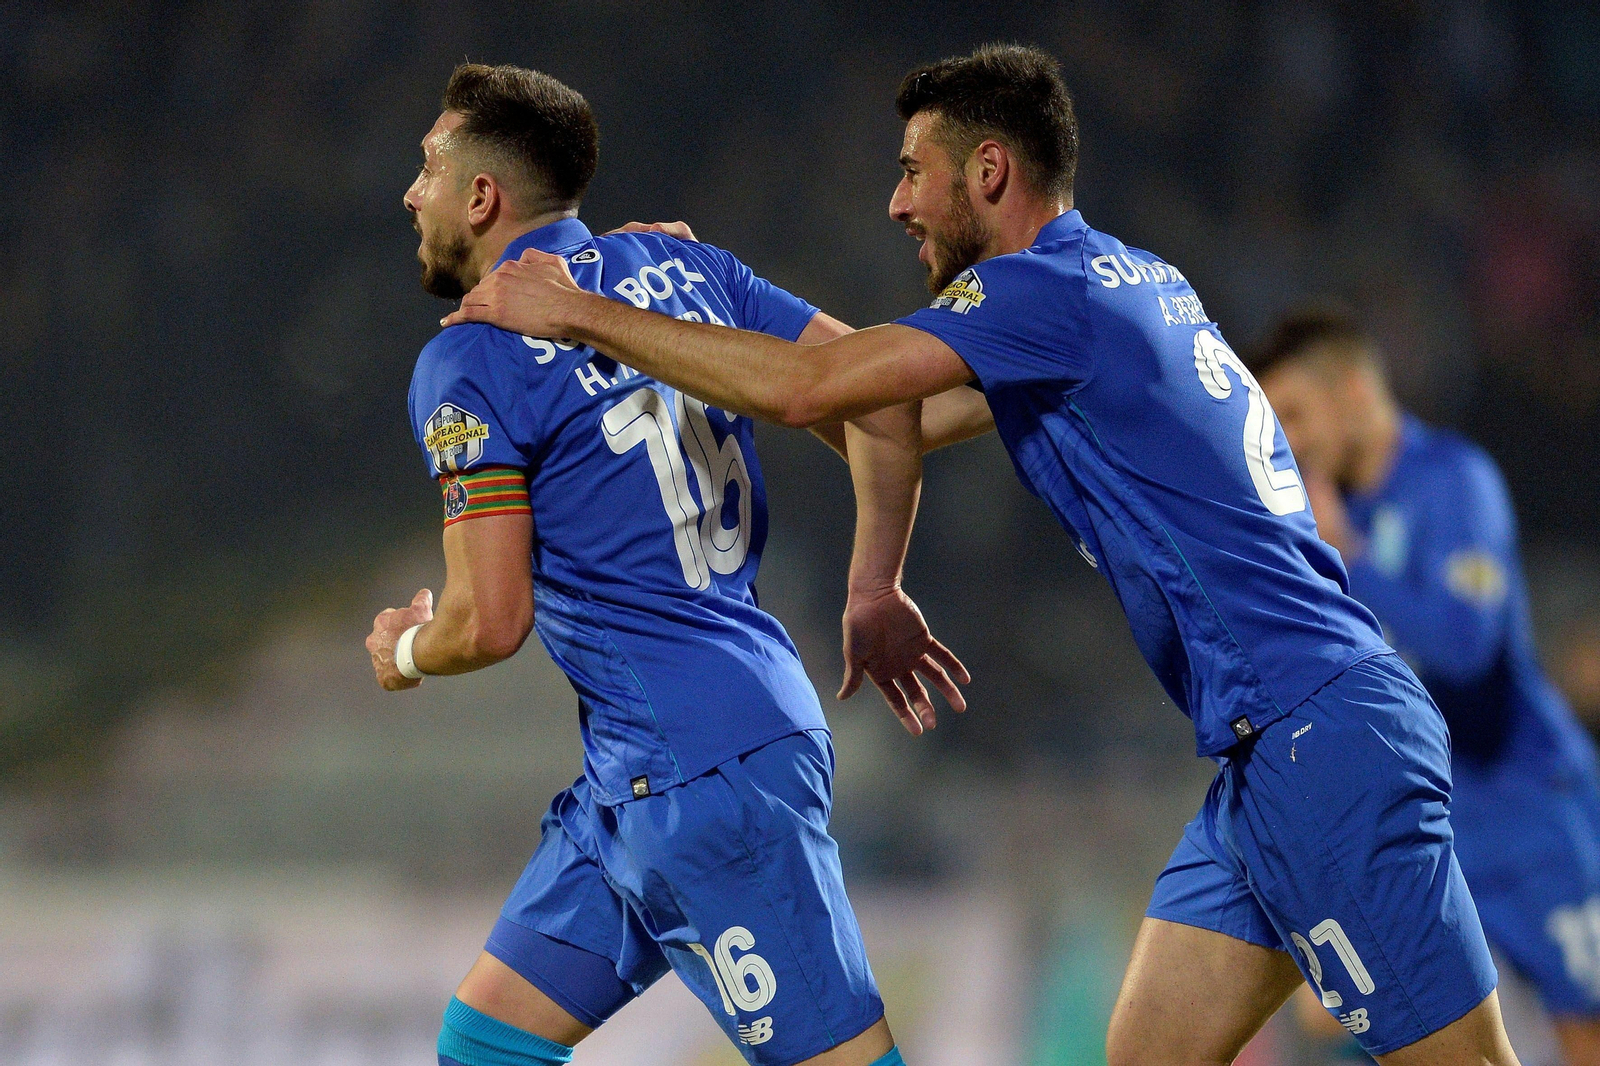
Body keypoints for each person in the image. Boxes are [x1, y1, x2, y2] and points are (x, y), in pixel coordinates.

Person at [439, 43, 1526, 1065]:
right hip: (1264, 755)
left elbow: (814, 386)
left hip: (1321, 736)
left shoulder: (1038, 293)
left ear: (990, 170)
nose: (898, 201)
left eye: (915, 172)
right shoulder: (1120, 278)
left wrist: (583, 309)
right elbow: (888, 407)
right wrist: (671, 295)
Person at [365, 62, 965, 1066]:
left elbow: (490, 620)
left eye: (428, 165)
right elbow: (883, 394)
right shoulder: (682, 268)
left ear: (482, 197)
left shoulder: (467, 361)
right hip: (651, 766)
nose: (409, 192)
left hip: (698, 774)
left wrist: (408, 649)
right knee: (484, 1043)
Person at [1254, 309, 1600, 1066]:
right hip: (1421, 819)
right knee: (1342, 1025)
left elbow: (1467, 648)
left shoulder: (1454, 482)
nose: (1287, 439)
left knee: (1588, 1033)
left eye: (1293, 414)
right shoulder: (1322, 519)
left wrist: (1353, 559)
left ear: (1349, 389)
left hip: (1527, 807)